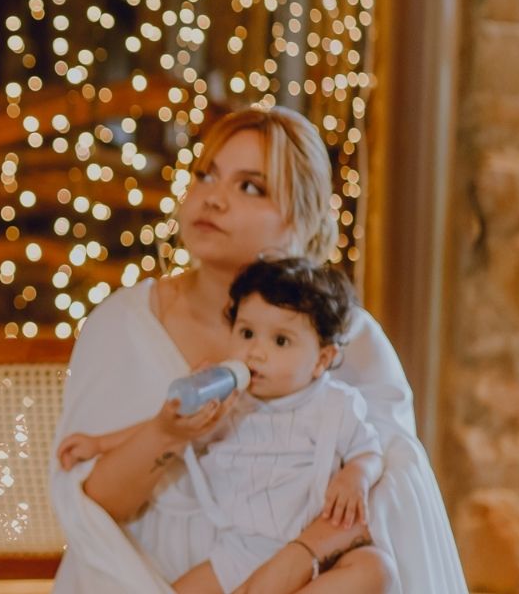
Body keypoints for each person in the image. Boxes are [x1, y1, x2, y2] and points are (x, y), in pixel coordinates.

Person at [49, 106, 467, 593]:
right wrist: (167, 433)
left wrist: (295, 559)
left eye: (251, 187)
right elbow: (95, 508)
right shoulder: (123, 324)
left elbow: (389, 500)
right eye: (206, 175)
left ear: (304, 218)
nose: (213, 198)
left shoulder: (348, 338)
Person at [58, 257, 392, 594]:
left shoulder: (336, 405)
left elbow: (369, 451)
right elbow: (169, 424)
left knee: (374, 570)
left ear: (321, 359)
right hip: (240, 551)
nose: (256, 352)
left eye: (280, 341)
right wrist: (100, 443)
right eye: (246, 333)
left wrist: (355, 476)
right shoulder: (230, 403)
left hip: (317, 547)